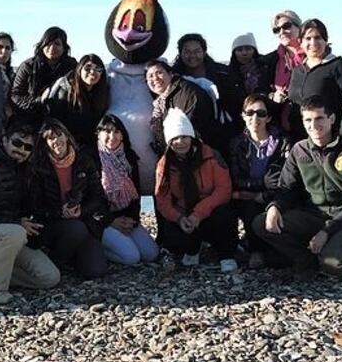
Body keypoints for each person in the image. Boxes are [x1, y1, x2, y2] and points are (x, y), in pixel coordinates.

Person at [252, 96, 342, 282]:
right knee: (262, 223)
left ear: (331, 119)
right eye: (308, 120)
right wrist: (274, 207)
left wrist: (326, 232)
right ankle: (305, 259)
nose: (313, 125)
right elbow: (286, 189)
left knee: (334, 265)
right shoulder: (299, 150)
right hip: (312, 215)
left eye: (319, 119)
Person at [0, 119, 60, 304]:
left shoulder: (27, 171)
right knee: (14, 232)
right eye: (17, 143)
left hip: (12, 235)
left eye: (27, 147)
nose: (21, 149)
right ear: (5, 140)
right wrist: (16, 223)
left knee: (49, 277)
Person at [153, 109, 238, 273]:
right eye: (175, 139)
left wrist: (199, 213)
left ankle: (227, 254)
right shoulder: (164, 164)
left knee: (225, 212)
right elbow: (162, 198)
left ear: (191, 137)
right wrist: (179, 218)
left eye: (184, 136)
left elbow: (224, 190)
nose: (180, 142)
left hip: (209, 210)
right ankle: (192, 248)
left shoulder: (211, 155)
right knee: (170, 231)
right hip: (184, 213)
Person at [30, 119, 109, 279]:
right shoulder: (39, 166)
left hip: (83, 220)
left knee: (95, 270)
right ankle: (54, 262)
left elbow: (99, 197)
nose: (56, 141)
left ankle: (72, 257)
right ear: (45, 143)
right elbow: (33, 205)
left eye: (59, 136)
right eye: (50, 138)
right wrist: (59, 212)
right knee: (75, 229)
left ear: (67, 137)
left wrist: (82, 210)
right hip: (52, 223)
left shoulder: (84, 160)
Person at [226, 93, 290, 268]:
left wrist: (264, 193)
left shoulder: (283, 142)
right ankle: (255, 250)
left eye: (261, 113)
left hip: (275, 195)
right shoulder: (236, 144)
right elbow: (236, 178)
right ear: (243, 115)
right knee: (248, 209)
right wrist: (262, 184)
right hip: (248, 196)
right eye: (250, 112)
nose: (255, 118)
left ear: (269, 117)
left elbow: (284, 179)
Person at [95, 114, 159, 265]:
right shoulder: (92, 158)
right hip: (101, 221)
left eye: (117, 132)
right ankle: (99, 248)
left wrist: (131, 219)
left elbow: (135, 193)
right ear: (98, 134)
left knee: (151, 253)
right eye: (107, 131)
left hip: (124, 216)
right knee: (132, 257)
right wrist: (111, 221)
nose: (112, 136)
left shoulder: (129, 157)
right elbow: (90, 199)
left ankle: (122, 241)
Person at [172, 33, 244, 155]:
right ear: (180, 53)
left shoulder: (223, 73)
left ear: (204, 52)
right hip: (190, 135)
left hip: (223, 134)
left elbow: (237, 102)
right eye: (187, 51)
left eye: (197, 51)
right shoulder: (174, 77)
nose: (192, 56)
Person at [286, 19, 342, 143]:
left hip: (330, 138)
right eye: (308, 38)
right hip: (301, 141)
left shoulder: (336, 66)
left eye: (318, 38)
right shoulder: (297, 71)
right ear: (300, 42)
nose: (313, 42)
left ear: (326, 40)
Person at [146, 60, 219, 155]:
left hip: (195, 154)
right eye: (150, 76)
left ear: (170, 74)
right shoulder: (161, 100)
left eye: (159, 73)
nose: (155, 78)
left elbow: (187, 130)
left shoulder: (185, 92)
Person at [11, 27, 77, 124]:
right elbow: (15, 95)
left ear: (64, 47)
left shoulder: (72, 67)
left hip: (62, 122)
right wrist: (39, 101)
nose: (52, 48)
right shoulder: (28, 66)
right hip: (31, 120)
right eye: (48, 43)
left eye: (57, 44)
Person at [46, 54, 110, 149]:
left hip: (92, 144)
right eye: (87, 68)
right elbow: (55, 123)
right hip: (67, 145)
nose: (93, 72)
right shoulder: (65, 91)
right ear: (79, 70)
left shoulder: (102, 92)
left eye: (98, 69)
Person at [261, 10, 304, 133]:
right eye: (276, 30)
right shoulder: (270, 61)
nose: (282, 32)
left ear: (299, 27)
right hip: (280, 126)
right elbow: (261, 90)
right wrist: (272, 96)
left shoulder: (312, 55)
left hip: (311, 124)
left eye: (286, 26)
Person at [227, 33, 273, 98]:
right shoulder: (227, 75)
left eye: (248, 49)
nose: (244, 53)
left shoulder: (266, 68)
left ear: (254, 51)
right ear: (234, 53)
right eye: (239, 50)